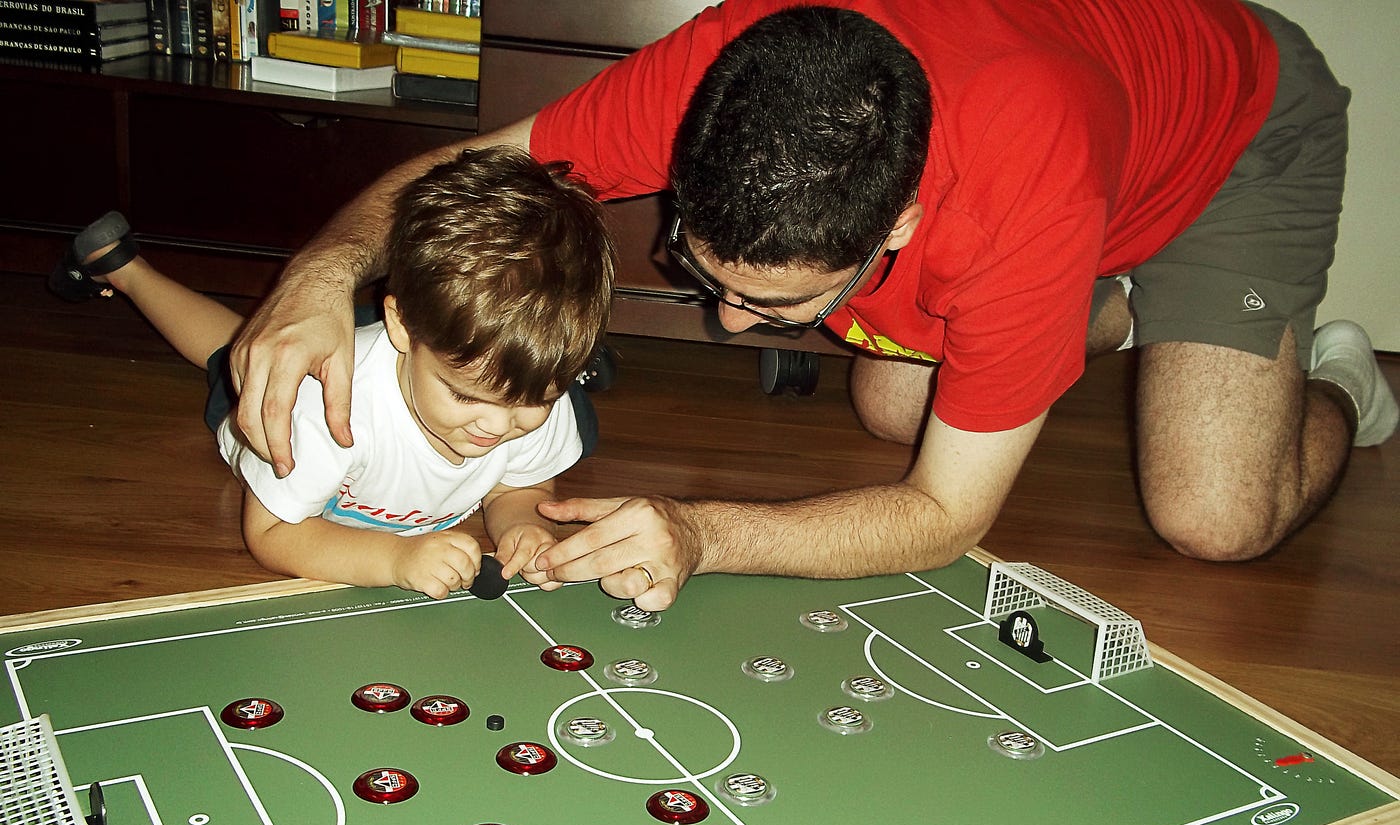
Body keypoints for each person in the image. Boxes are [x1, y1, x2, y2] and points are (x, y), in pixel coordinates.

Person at [226, 1, 1397, 611]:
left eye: (774, 302)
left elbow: (944, 514)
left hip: (1232, 131)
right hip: (1064, 153)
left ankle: (1337, 377)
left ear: (896, 228)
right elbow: (461, 175)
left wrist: (705, 531)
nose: (729, 327)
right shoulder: (722, 70)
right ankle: (1093, 320)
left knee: (1212, 516)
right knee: (892, 403)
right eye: (704, 270)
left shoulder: (1017, 194)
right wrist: (322, 275)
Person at [49, 146, 615, 599]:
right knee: (229, 350)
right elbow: (273, 534)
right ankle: (125, 269)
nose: (496, 426)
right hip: (278, 398)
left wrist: (519, 523)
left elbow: (521, 482)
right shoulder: (316, 409)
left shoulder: (533, 393)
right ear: (402, 328)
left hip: (398, 351)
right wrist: (395, 558)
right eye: (466, 396)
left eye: (531, 400)